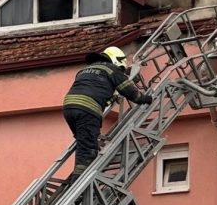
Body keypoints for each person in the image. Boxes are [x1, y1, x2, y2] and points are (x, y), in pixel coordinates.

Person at [63, 45, 152, 182]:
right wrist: (145, 98)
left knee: (84, 141)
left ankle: (77, 175)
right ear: (116, 61)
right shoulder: (113, 70)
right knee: (89, 149)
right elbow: (130, 93)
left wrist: (110, 98)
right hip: (88, 109)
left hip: (69, 107)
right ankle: (79, 183)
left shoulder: (85, 70)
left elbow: (93, 88)